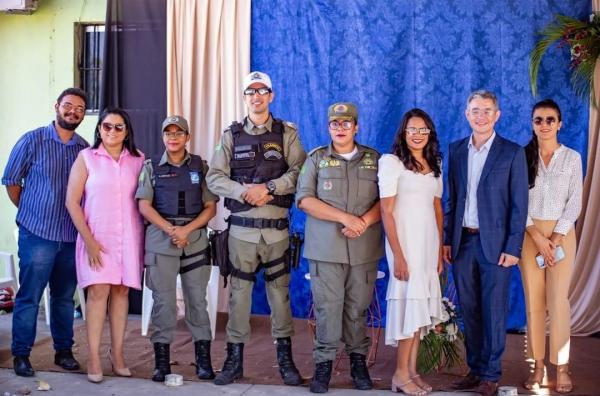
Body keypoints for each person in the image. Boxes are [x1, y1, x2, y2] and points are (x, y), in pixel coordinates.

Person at [206, 71, 306, 386]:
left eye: (262, 91)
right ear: (245, 97)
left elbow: (300, 170)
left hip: (276, 232)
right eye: (251, 91)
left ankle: (286, 362)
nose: (257, 96)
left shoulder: (286, 133)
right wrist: (243, 192)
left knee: (280, 296)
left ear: (271, 96)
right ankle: (233, 362)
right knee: (238, 297)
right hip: (241, 232)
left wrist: (270, 187)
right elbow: (214, 177)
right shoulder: (231, 135)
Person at [443, 90, 528, 396]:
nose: (480, 116)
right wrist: (447, 240)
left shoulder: (511, 152)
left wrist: (513, 246)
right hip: (463, 241)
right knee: (469, 309)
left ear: (497, 115)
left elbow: (520, 204)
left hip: (496, 246)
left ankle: (491, 374)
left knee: (493, 310)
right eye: (475, 110)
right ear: (467, 114)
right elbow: (451, 199)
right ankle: (475, 369)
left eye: (487, 110)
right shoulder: (454, 151)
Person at [296, 102, 383, 393]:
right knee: (327, 309)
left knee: (357, 309)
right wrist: (345, 218)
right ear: (329, 127)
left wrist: (363, 222)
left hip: (364, 248)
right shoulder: (316, 159)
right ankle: (323, 366)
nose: (341, 128)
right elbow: (305, 200)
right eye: (335, 123)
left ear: (356, 127)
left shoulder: (374, 160)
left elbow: (387, 200)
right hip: (326, 250)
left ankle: (358, 363)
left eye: (346, 123)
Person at [2, 88, 89, 377]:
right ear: (56, 106)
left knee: (64, 297)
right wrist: (30, 212)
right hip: (37, 234)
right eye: (68, 106)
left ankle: (63, 351)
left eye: (79, 108)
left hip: (70, 236)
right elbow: (12, 181)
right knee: (30, 296)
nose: (73, 112)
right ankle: (21, 355)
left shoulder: (84, 149)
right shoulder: (32, 140)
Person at [65, 107, 145, 383]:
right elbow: (72, 202)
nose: (112, 131)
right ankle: (94, 357)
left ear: (127, 132)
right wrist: (89, 241)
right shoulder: (86, 158)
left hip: (129, 239)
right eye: (107, 126)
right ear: (99, 129)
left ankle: (118, 354)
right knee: (98, 294)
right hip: (96, 239)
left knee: (122, 293)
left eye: (118, 127)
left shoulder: (138, 160)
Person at [136, 115, 218, 382]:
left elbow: (210, 207)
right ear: (163, 137)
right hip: (161, 239)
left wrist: (187, 230)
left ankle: (203, 361)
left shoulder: (200, 166)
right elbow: (144, 205)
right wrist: (171, 230)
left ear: (187, 137)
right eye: (168, 133)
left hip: (194, 239)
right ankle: (161, 363)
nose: (173, 137)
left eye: (178, 133)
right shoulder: (151, 167)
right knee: (164, 303)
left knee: (197, 301)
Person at [379, 108, 444, 395]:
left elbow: (437, 207)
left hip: (427, 245)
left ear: (430, 133)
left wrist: (440, 249)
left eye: (423, 130)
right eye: (412, 130)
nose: (417, 135)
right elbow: (386, 210)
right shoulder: (392, 162)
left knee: (418, 310)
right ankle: (399, 373)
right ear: (403, 133)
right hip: (405, 244)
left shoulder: (435, 163)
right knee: (408, 305)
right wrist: (399, 255)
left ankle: (412, 370)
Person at [519, 99, 582, 394]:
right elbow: (517, 201)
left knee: (558, 302)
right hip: (530, 235)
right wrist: (536, 236)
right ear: (532, 124)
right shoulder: (522, 157)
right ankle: (538, 366)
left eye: (549, 119)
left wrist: (554, 238)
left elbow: (575, 203)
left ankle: (562, 367)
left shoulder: (572, 158)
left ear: (560, 123)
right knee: (534, 302)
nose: (544, 125)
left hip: (562, 235)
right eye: (538, 120)